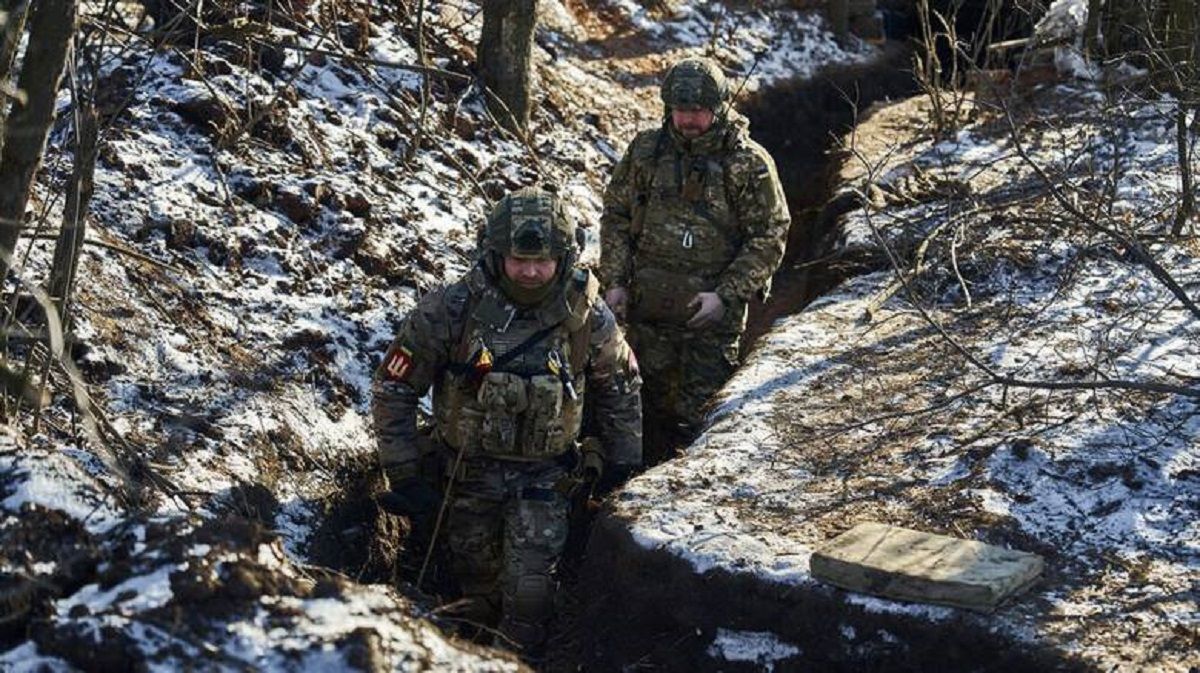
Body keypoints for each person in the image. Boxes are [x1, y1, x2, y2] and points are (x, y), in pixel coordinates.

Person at [371, 187, 642, 656]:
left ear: (564, 257)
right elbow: (394, 387)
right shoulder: (453, 310)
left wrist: (622, 466)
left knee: (529, 594)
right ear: (496, 255)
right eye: (519, 260)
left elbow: (620, 389)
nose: (531, 272)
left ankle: (519, 657)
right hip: (465, 477)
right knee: (473, 587)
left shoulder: (586, 315)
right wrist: (405, 472)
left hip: (546, 478)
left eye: (543, 262)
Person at [598, 56, 790, 454]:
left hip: (710, 322)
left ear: (718, 108)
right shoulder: (646, 152)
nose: (687, 120)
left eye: (698, 111)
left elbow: (770, 235)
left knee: (697, 421)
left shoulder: (747, 163)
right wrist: (614, 281)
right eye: (680, 110)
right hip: (647, 313)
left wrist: (726, 294)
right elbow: (616, 215)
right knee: (639, 411)